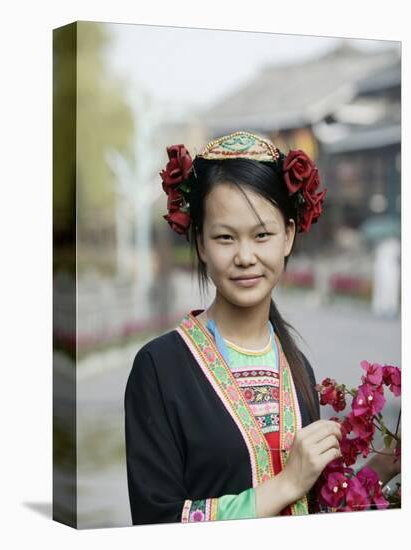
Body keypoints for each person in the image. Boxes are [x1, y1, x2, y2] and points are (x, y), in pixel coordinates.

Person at [124, 131, 394, 526]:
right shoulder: (159, 369)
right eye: (225, 237)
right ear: (199, 243)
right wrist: (286, 484)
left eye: (262, 235)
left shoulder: (297, 367)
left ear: (288, 235)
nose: (245, 256)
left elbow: (310, 511)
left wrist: (386, 465)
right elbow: (156, 522)